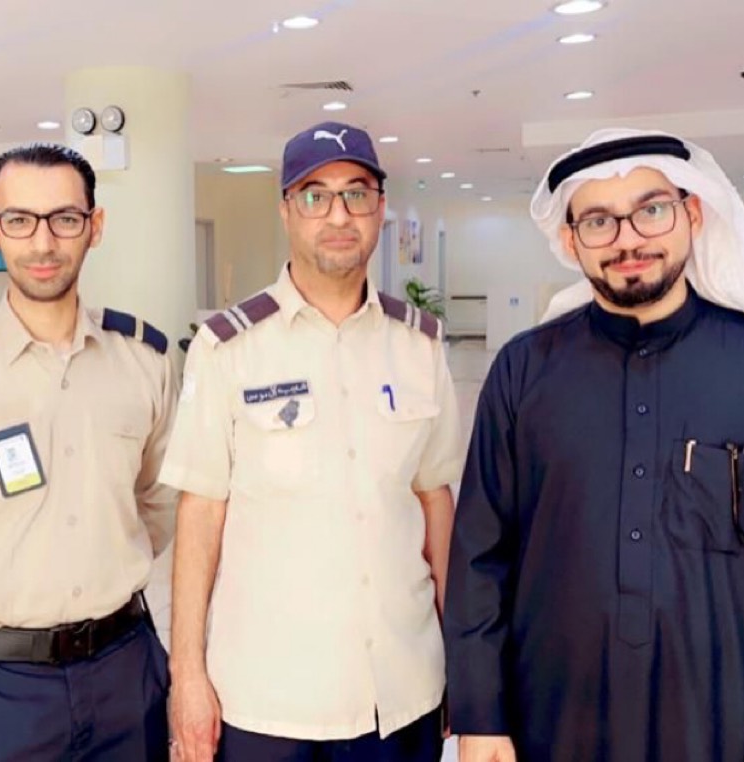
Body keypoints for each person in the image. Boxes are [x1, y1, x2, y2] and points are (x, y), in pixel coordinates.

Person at [444, 128, 744, 762]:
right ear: (570, 240)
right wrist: (481, 718)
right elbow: (479, 558)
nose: (628, 239)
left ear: (693, 214)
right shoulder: (523, 372)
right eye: (599, 221)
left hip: (721, 732)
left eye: (651, 210)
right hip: (550, 723)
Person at [162, 121, 464, 762]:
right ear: (286, 210)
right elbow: (201, 512)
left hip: (399, 690)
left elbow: (434, 500)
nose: (339, 215)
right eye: (315, 196)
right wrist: (187, 675)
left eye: (356, 194)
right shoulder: (228, 348)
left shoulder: (419, 344)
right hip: (268, 698)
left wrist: (461, 654)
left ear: (380, 207)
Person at [0, 142, 177, 762]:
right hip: (1, 690)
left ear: (95, 226)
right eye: (19, 220)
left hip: (127, 674)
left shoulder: (144, 361)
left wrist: (102, 551)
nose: (43, 243)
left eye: (65, 219)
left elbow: (159, 502)